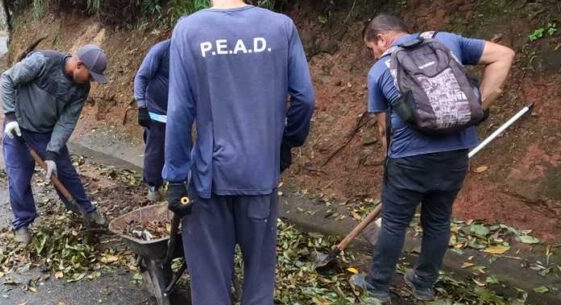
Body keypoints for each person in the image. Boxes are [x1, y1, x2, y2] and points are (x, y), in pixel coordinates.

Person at [349, 14, 515, 303]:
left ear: (381, 38)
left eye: (370, 48)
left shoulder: (380, 68)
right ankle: (424, 285)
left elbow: (382, 127)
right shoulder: (446, 40)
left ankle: (377, 288)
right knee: (438, 220)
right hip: (454, 152)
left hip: (408, 158)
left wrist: (391, 161)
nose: (372, 54)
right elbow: (504, 55)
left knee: (393, 223)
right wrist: (476, 109)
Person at [163, 1, 315, 304]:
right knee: (259, 282)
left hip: (209, 181)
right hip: (260, 175)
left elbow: (179, 110)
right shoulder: (280, 27)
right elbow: (305, 99)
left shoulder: (189, 30)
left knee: (209, 288)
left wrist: (176, 177)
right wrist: (284, 144)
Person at [0, 44, 110, 245]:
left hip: (46, 134)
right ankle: (22, 223)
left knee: (66, 173)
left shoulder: (81, 88)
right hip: (18, 129)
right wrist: (10, 116)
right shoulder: (43, 62)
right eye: (91, 75)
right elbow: (7, 79)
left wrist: (51, 153)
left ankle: (86, 212)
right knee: (18, 178)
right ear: (79, 64)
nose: (91, 80)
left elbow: (67, 121)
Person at [133, 39, 170, 201]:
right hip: (156, 111)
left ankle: (177, 183)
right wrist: (142, 106)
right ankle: (153, 186)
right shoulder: (161, 50)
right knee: (155, 149)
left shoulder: (190, 52)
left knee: (182, 148)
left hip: (179, 113)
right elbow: (141, 76)